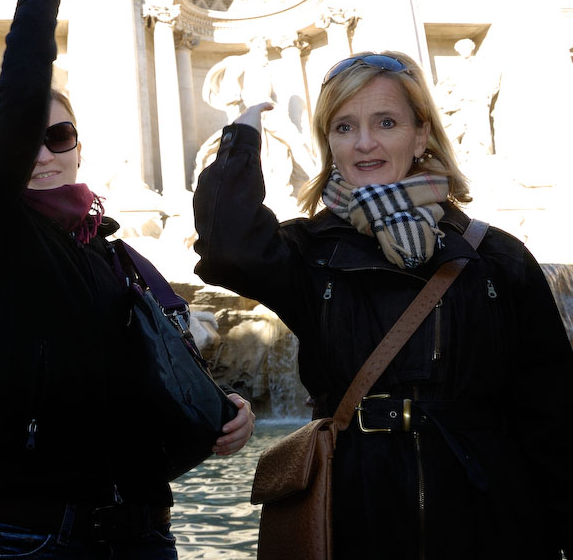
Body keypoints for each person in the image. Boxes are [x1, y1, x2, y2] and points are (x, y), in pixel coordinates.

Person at [193, 51, 573, 559]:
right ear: (329, 143)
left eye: (386, 122)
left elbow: (551, 413)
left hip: (487, 514)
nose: (364, 143)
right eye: (344, 127)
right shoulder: (311, 252)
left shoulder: (495, 255)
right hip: (355, 511)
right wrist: (240, 138)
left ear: (420, 135)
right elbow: (228, 246)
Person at [0, 0, 255, 559]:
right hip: (30, 532)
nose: (43, 153)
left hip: (143, 530)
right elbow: (20, 110)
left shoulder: (117, 256)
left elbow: (157, 370)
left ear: (78, 149)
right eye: (25, 140)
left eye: (58, 137)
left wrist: (223, 413)